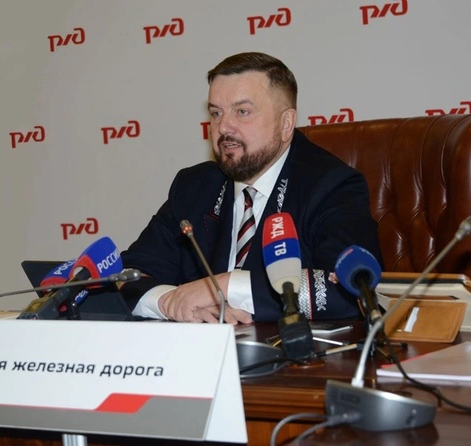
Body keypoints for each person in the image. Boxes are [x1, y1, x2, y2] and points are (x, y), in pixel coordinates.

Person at [120, 52, 381, 324]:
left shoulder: (332, 186)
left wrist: (225, 287)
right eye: (216, 113)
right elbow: (128, 274)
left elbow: (349, 289)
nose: (223, 127)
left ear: (286, 124)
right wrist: (167, 302)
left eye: (242, 112)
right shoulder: (193, 186)